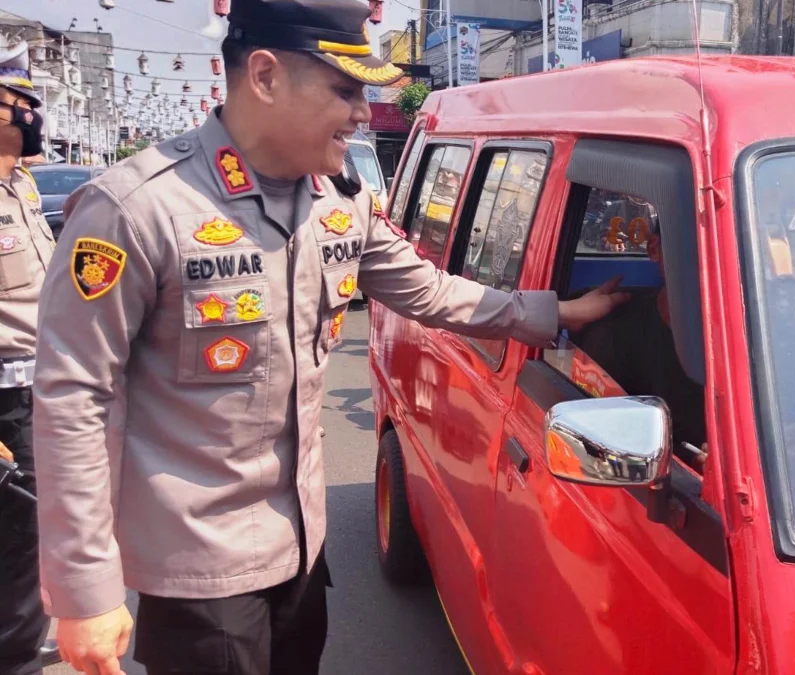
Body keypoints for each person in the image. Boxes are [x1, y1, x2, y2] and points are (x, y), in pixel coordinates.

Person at [31, 2, 627, 674]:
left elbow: (429, 291)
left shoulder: (338, 203)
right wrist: (84, 589)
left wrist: (554, 314)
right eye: (345, 91)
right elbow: (72, 396)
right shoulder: (137, 209)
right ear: (264, 75)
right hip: (198, 574)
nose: (362, 114)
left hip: (300, 550)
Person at [0, 39, 65, 675]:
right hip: (1, 402)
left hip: (29, 390)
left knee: (27, 534)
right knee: (17, 540)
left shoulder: (18, 185)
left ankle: (18, 635)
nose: (30, 113)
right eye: (19, 103)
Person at [576, 218, 707, 462]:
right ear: (655, 249)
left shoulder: (769, 338)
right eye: (696, 245)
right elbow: (607, 444)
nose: (711, 262)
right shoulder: (614, 334)